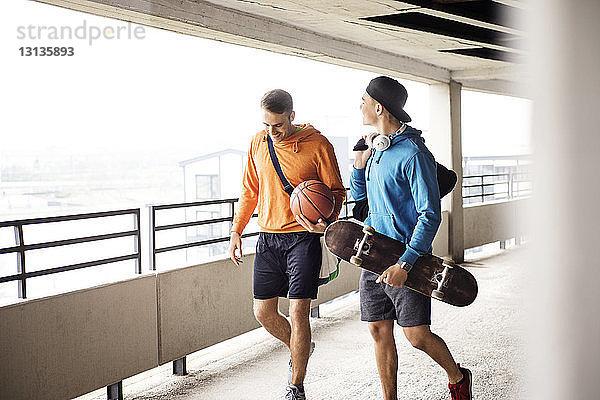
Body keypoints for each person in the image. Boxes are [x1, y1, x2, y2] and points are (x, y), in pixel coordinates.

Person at [350, 76, 472, 400]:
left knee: (416, 336)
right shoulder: (376, 149)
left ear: (378, 107)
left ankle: (458, 377)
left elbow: (430, 214)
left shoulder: (414, 154)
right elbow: (361, 199)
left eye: (363, 100)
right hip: (373, 254)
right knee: (378, 330)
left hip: (408, 260)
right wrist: (358, 168)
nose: (359, 106)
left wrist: (406, 262)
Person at [228, 89, 345, 400]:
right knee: (263, 312)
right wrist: (236, 230)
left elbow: (336, 192)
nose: (272, 131)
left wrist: (327, 218)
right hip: (267, 238)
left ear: (292, 116)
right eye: (266, 124)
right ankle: (302, 346)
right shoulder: (258, 141)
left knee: (298, 313)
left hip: (303, 239)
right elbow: (249, 191)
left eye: (277, 125)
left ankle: (297, 386)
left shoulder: (318, 144)